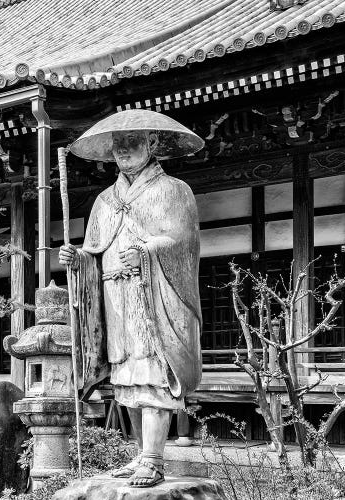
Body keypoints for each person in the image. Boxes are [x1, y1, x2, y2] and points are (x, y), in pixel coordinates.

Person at [59, 109, 204, 488]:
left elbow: (182, 241)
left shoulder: (174, 190)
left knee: (153, 374)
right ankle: (140, 454)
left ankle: (154, 459)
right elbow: (95, 249)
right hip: (113, 296)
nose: (123, 150)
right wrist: (78, 260)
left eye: (131, 142)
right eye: (118, 145)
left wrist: (146, 250)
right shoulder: (104, 200)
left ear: (151, 144)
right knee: (128, 380)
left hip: (153, 295)